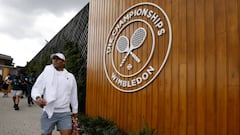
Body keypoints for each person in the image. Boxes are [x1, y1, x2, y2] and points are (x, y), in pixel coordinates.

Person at [31, 52, 78, 135]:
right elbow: (36, 88)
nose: (55, 60)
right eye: (53, 58)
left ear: (64, 62)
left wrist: (75, 111)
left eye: (58, 59)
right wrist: (38, 98)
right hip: (49, 111)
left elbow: (73, 95)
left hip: (65, 113)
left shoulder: (70, 77)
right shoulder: (46, 73)